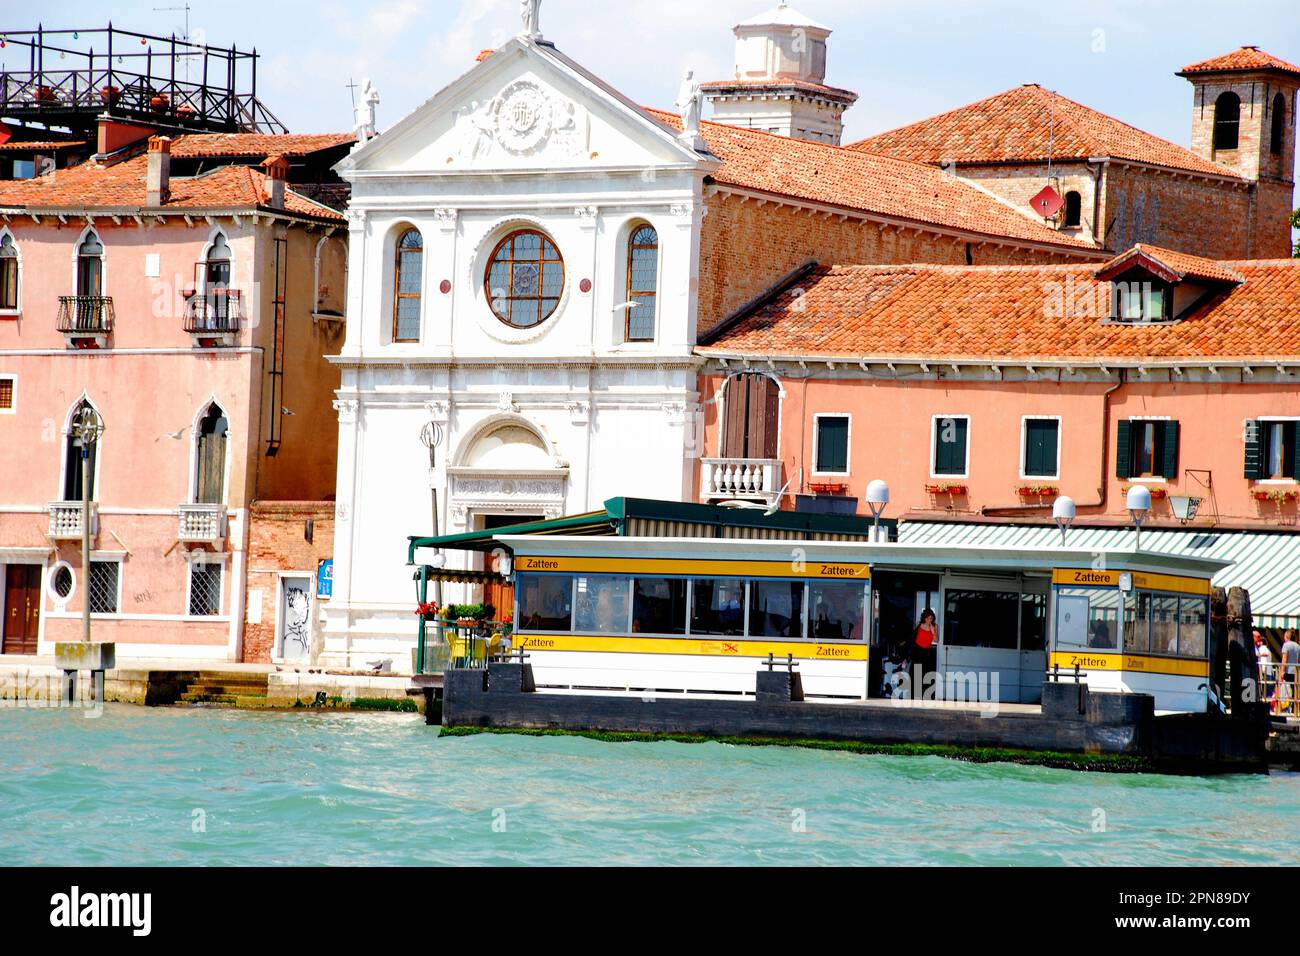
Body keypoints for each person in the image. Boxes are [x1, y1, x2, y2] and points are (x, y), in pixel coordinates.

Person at [912, 608, 939, 692]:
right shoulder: (919, 624)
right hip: (917, 650)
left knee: (926, 673)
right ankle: (915, 692)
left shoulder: (935, 626)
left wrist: (933, 631)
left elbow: (936, 640)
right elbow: (913, 636)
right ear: (924, 618)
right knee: (916, 673)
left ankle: (925, 692)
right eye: (927, 618)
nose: (929, 620)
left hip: (927, 652)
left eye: (931, 618)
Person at [1280, 629, 1300, 715]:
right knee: (1294, 690)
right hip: (1295, 671)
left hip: (1288, 671)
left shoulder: (1286, 645)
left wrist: (1282, 671)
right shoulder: (1298, 646)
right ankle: (1295, 710)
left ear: (1286, 636)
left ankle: (1281, 708)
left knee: (1283, 689)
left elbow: (1285, 658)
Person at [1254, 631, 1274, 704]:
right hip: (1268, 671)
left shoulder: (1262, 648)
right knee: (1268, 690)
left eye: (1260, 640)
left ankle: (1265, 704)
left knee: (1265, 690)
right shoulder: (1268, 650)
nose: (1258, 642)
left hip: (1264, 671)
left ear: (1262, 643)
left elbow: (1261, 657)